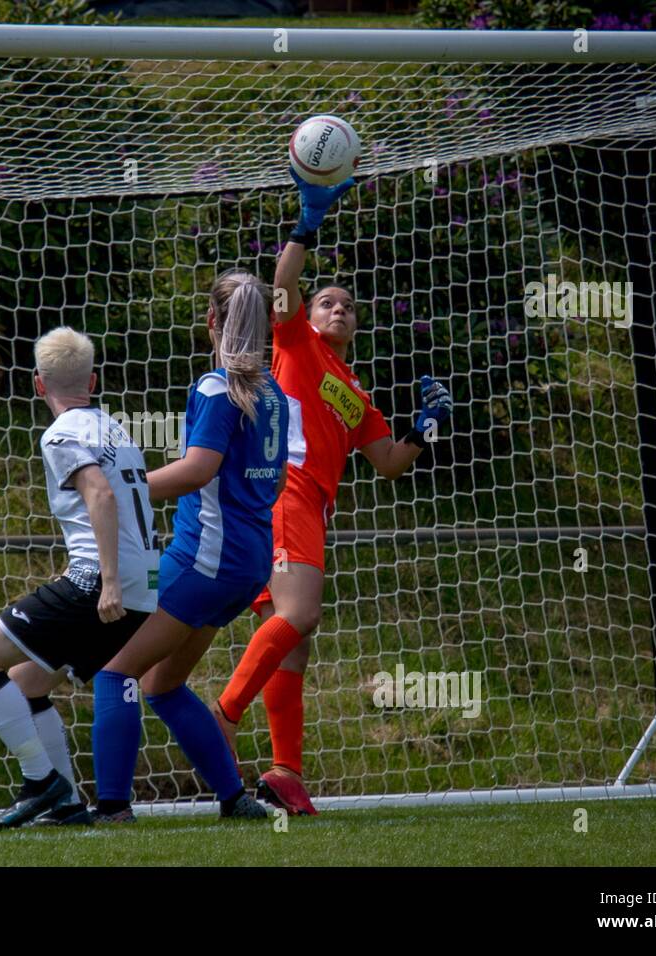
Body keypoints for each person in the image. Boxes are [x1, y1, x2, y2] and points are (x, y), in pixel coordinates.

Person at [211, 171, 455, 816]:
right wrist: (307, 219)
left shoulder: (355, 391)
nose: (337, 309)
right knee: (301, 614)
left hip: (315, 504)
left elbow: (390, 463)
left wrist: (425, 426)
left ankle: (285, 771)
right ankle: (222, 716)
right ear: (310, 317)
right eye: (327, 302)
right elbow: (282, 285)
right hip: (285, 491)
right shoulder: (297, 344)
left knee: (292, 643)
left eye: (347, 304)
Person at [89, 269, 287, 823]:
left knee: (114, 671)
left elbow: (199, 469)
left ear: (212, 323)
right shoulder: (275, 396)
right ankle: (234, 798)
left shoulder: (216, 386)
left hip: (206, 558)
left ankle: (112, 807)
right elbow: (274, 482)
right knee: (163, 683)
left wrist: (126, 487)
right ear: (269, 326)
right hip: (249, 563)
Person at [0, 326, 160, 829]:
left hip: (104, 583)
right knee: (28, 678)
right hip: (145, 589)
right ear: (92, 381)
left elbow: (101, 496)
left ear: (36, 384)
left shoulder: (63, 431)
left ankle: (40, 781)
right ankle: (69, 802)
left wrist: (106, 578)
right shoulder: (115, 429)